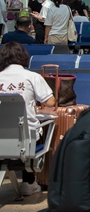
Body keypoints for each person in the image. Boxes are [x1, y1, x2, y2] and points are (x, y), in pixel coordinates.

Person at [0, 42, 56, 195]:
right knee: (35, 126)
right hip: (26, 141)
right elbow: (51, 102)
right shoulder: (32, 77)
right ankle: (29, 181)